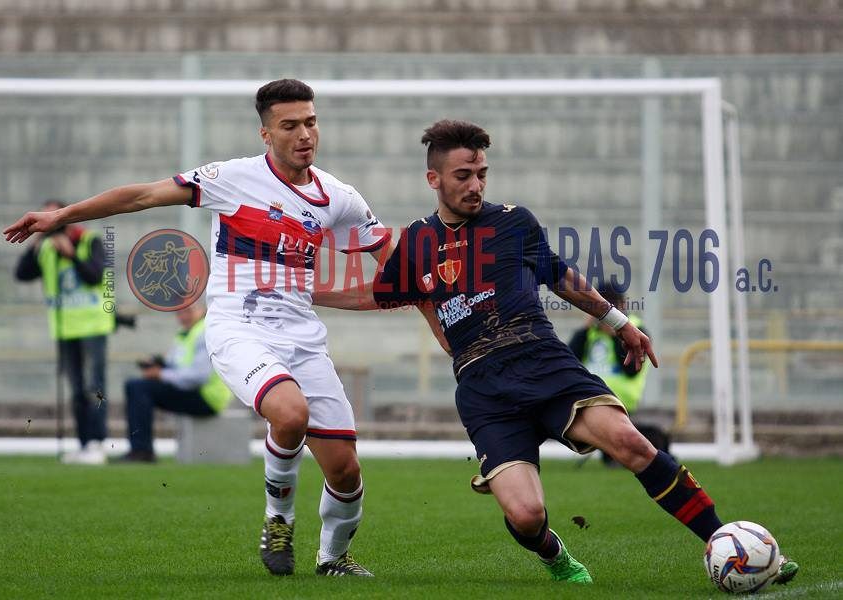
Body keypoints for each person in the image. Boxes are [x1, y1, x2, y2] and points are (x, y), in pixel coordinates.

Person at [316, 119, 799, 585]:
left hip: (541, 359)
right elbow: (378, 293)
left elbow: (561, 277)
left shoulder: (514, 222)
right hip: (483, 387)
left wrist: (619, 322)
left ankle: (729, 543)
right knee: (526, 515)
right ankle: (554, 552)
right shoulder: (418, 240)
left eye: (481, 173)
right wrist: (308, 291)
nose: (475, 185)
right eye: (463, 176)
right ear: (434, 178)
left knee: (633, 444)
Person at [5, 79, 388, 577]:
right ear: (265, 133)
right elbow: (141, 195)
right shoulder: (231, 178)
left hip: (304, 339)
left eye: (310, 122)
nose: (304, 134)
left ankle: (332, 558)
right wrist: (62, 216)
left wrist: (445, 273)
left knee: (346, 471)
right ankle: (278, 522)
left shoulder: (338, 197)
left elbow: (393, 262)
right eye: (289, 125)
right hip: (238, 331)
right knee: (289, 414)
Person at [14, 199, 114, 465]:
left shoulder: (88, 240)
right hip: (64, 328)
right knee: (77, 388)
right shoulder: (45, 247)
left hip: (92, 326)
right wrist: (35, 242)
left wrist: (71, 254)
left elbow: (95, 275)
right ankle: (84, 444)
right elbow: (22, 274)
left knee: (95, 387)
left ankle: (98, 443)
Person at [567, 283, 670, 465]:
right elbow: (569, 359)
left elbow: (631, 371)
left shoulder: (636, 329)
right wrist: (585, 328)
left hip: (619, 397)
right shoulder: (590, 332)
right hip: (589, 395)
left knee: (618, 452)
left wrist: (616, 335)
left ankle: (654, 437)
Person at [119, 303, 233, 463]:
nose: (183, 317)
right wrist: (158, 365)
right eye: (179, 313)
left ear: (201, 310)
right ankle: (140, 449)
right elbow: (176, 366)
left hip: (206, 397)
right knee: (136, 385)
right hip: (195, 391)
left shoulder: (206, 333)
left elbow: (197, 377)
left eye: (187, 311)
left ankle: (142, 450)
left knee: (138, 388)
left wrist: (160, 374)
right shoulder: (185, 332)